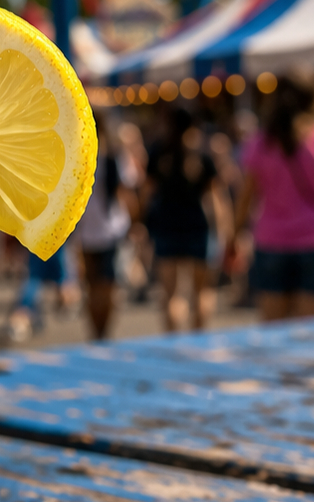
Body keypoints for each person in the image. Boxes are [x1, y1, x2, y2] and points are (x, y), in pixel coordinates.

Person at [234, 73, 314, 320]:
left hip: (271, 241)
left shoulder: (261, 141)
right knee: (311, 333)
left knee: (274, 332)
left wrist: (234, 235)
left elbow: (246, 197)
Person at [142, 106, 228, 331]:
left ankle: (173, 342)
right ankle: (198, 340)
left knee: (171, 294)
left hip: (167, 225)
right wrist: (225, 231)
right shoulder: (202, 155)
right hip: (197, 226)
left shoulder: (159, 152)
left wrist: (141, 224)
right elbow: (216, 198)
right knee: (202, 292)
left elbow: (146, 193)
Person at [75, 111, 137, 339]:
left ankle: (98, 334)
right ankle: (101, 334)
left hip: (91, 229)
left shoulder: (79, 157)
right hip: (108, 228)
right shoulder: (114, 156)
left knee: (94, 286)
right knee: (106, 286)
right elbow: (127, 191)